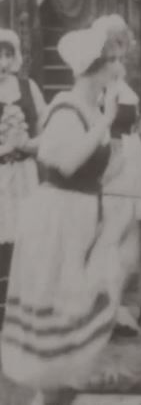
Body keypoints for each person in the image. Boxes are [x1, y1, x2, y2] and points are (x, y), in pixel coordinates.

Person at [0, 27, 141, 403]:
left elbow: (98, 172)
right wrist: (105, 122)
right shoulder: (67, 106)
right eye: (113, 60)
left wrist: (120, 142)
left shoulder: (93, 108)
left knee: (78, 329)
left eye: (119, 59)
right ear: (92, 67)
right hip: (58, 222)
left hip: (81, 216)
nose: (119, 68)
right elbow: (64, 163)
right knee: (60, 328)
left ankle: (57, 397)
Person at [91, 14, 141, 330]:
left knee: (132, 236)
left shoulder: (122, 81)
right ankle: (103, 307)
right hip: (110, 157)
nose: (118, 54)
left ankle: (125, 304)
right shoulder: (98, 84)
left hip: (132, 158)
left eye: (121, 46)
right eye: (112, 48)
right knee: (109, 232)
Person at [0, 28, 46, 330]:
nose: (2, 62)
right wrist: (5, 148)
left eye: (8, 55)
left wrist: (26, 144)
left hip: (26, 176)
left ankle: (23, 311)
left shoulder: (29, 88)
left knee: (25, 240)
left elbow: (46, 133)